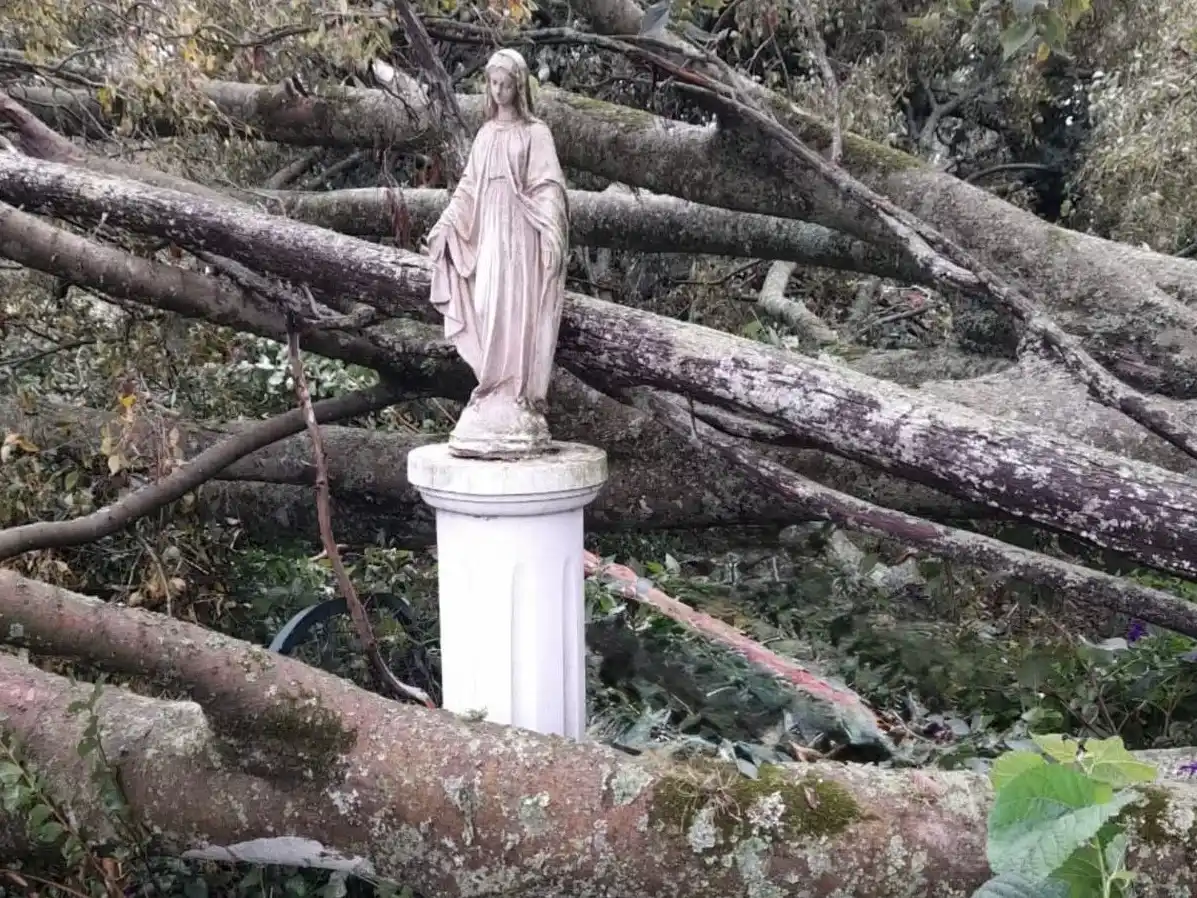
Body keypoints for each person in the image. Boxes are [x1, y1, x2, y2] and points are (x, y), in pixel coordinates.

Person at [425, 48, 569, 458]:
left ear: (519, 86)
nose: (500, 90)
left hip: (521, 237)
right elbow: (468, 188)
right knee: (486, 303)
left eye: (506, 83)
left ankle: (517, 394)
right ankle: (491, 388)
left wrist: (550, 230)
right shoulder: (486, 133)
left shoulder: (535, 133)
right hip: (489, 233)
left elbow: (550, 187)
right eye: (493, 83)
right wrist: (447, 224)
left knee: (516, 311)